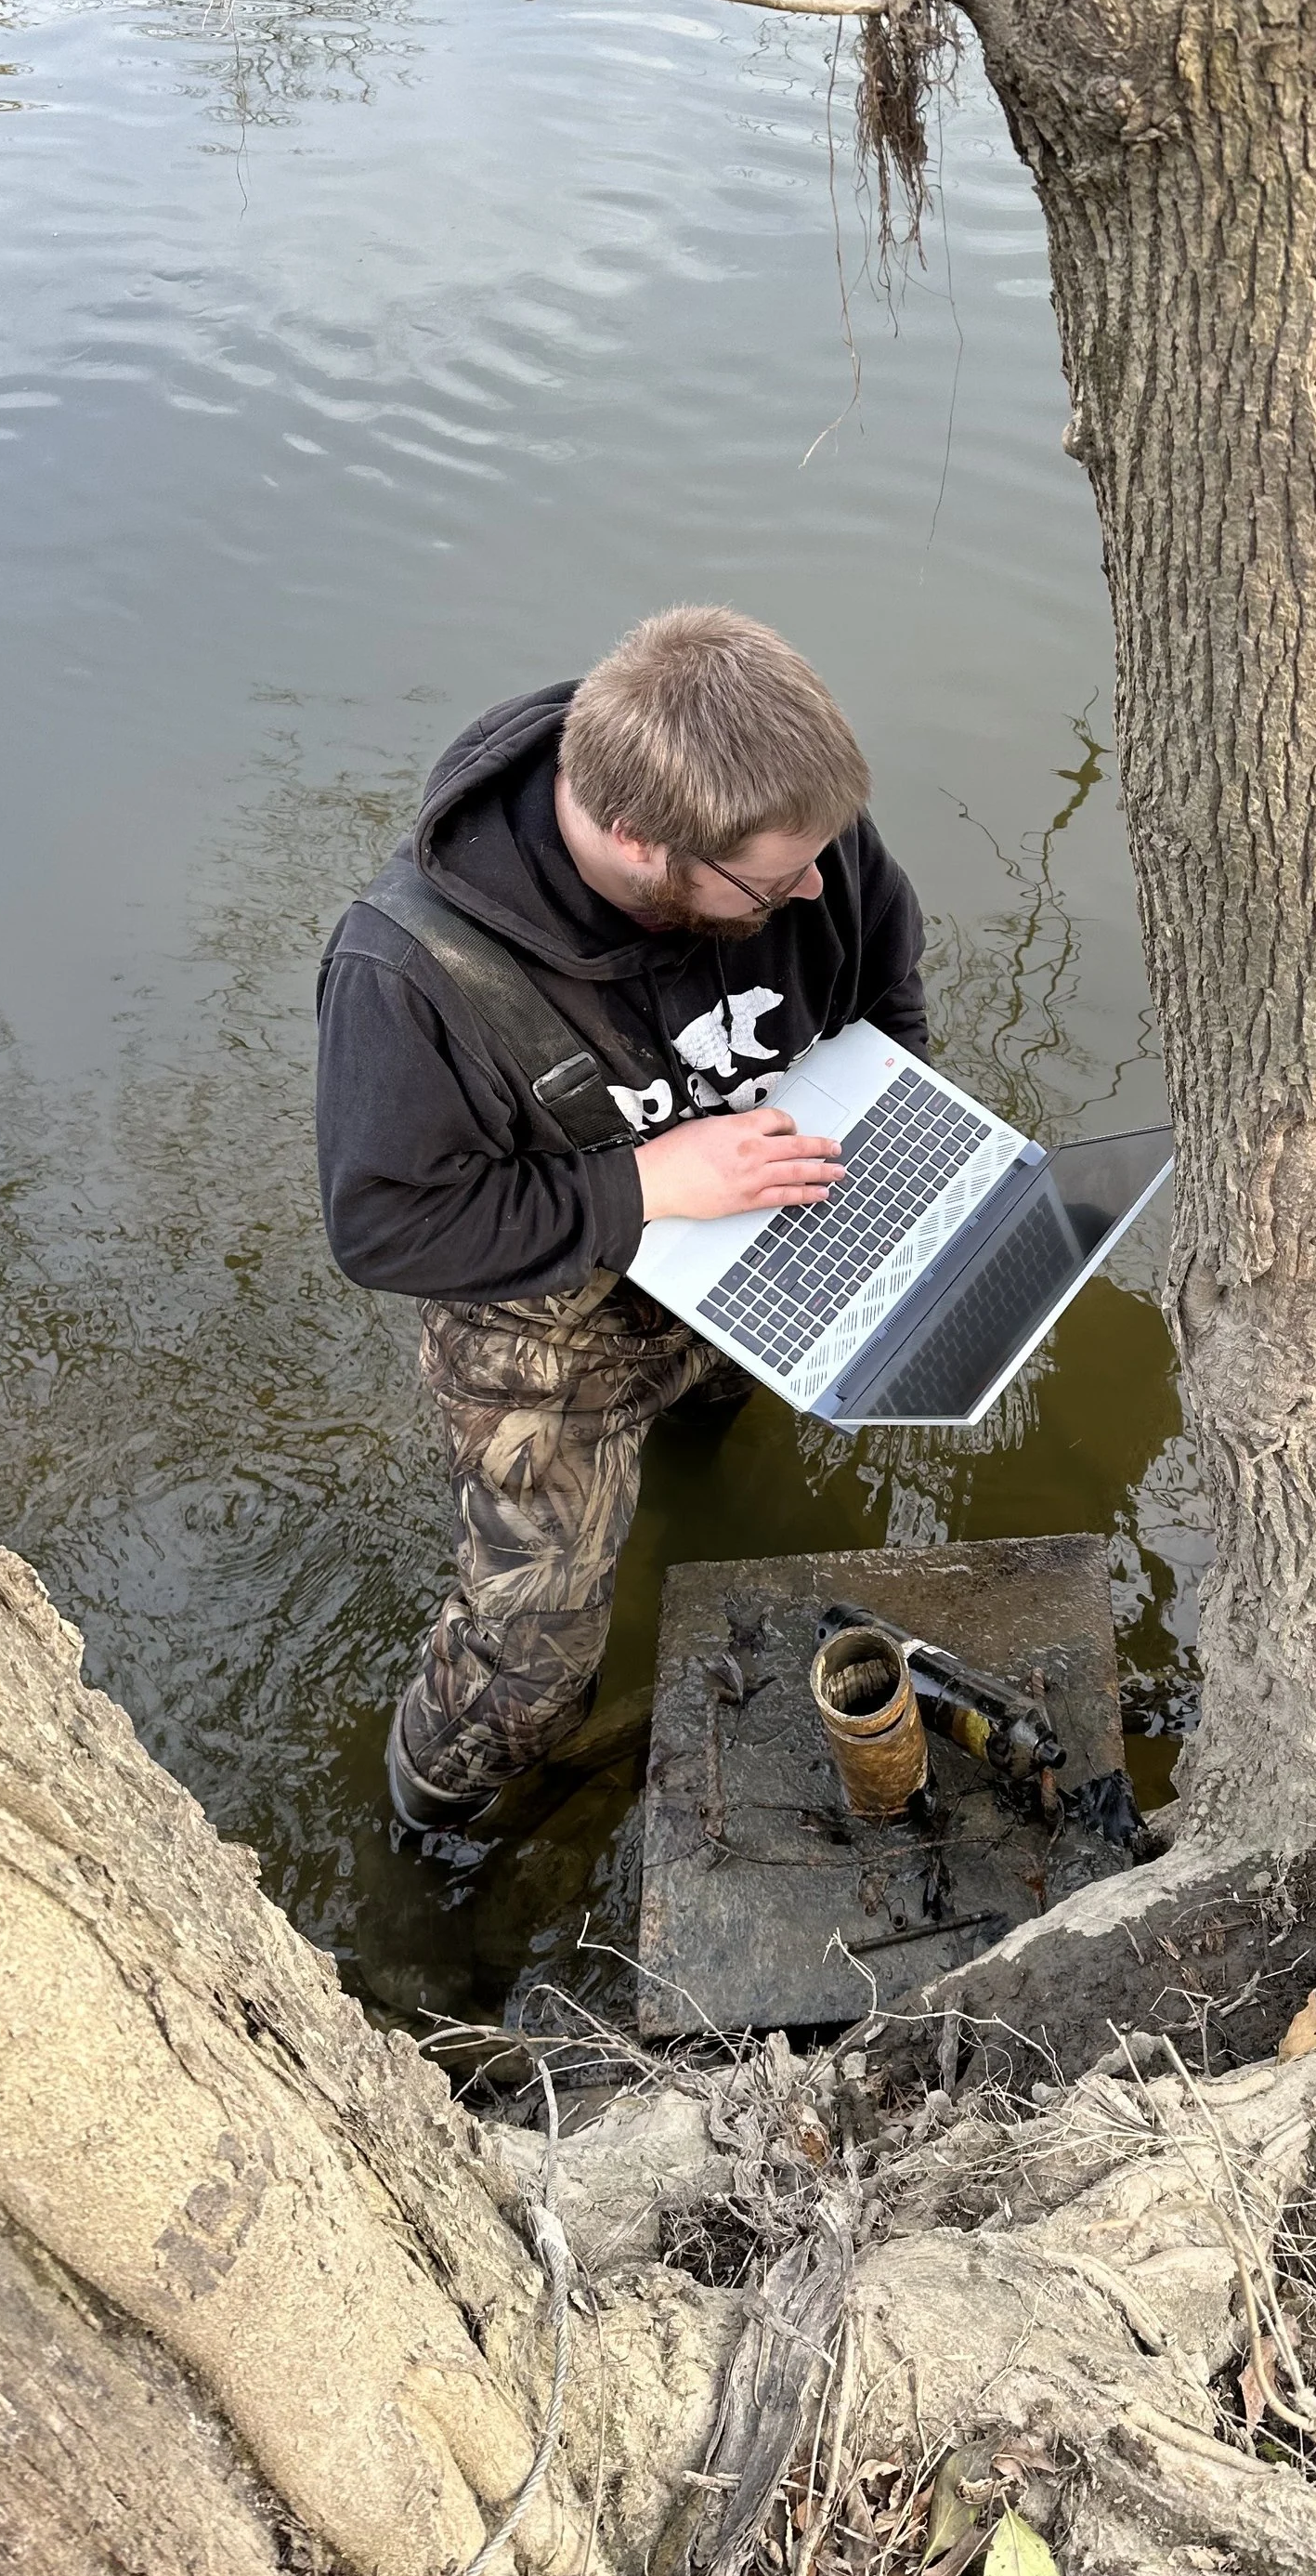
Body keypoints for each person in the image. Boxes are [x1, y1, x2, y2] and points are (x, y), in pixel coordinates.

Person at [316, 605, 928, 1832]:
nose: (815, 886)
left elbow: (887, 1002)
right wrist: (646, 1188)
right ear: (643, 843)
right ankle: (427, 1836)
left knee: (721, 1432)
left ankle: (692, 1465)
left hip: (762, 1227)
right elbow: (384, 1228)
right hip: (547, 1310)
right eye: (772, 879)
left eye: (822, 854)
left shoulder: (809, 845)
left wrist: (880, 1158)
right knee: (528, 1671)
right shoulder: (408, 976)